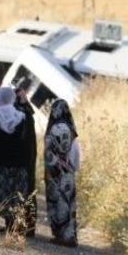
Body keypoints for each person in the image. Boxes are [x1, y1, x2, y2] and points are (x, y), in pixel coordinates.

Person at [0, 86, 33, 235]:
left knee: (3, 195)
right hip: (18, 163)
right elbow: (26, 141)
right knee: (15, 195)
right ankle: (12, 225)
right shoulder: (21, 117)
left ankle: (8, 224)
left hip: (0, 163)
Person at [44, 99, 81, 247]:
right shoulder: (71, 130)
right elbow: (76, 154)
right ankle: (69, 235)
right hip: (67, 174)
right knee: (68, 203)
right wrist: (71, 168)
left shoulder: (52, 129)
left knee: (56, 203)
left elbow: (47, 154)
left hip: (53, 174)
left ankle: (59, 235)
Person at [14, 80, 38, 231]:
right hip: (28, 156)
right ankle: (27, 225)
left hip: (23, 158)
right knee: (28, 190)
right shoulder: (26, 112)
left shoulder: (22, 114)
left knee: (23, 191)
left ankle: (24, 225)